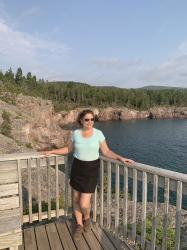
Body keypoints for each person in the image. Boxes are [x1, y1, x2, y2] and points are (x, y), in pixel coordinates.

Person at [42, 109, 134, 240]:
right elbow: (69, 149)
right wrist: (52, 151)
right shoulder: (75, 133)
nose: (90, 122)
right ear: (81, 120)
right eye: (87, 119)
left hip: (91, 169)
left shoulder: (98, 134)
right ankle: (79, 225)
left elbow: (106, 151)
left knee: (84, 203)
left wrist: (120, 158)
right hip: (77, 167)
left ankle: (87, 218)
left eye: (92, 119)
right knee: (75, 199)